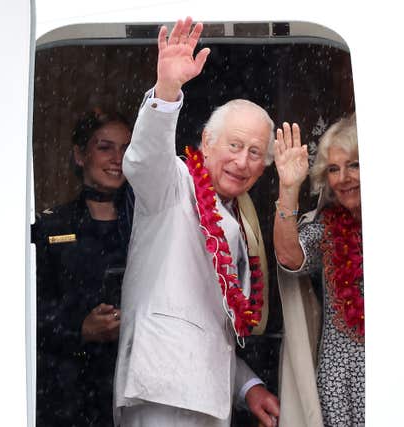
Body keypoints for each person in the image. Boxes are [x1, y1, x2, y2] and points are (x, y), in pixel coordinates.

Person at [113, 17, 280, 427]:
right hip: (162, 389)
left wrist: (247, 386)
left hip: (208, 397)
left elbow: (213, 326)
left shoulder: (242, 220)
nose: (242, 161)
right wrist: (168, 90)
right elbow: (143, 159)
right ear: (206, 142)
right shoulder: (172, 183)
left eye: (256, 153)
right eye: (235, 145)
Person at [33, 111, 134, 427]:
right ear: (80, 154)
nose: (118, 158)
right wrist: (80, 328)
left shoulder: (147, 225)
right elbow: (28, 314)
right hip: (69, 392)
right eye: (105, 147)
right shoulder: (50, 226)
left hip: (134, 386)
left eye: (126, 148)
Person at [273, 116, 364, 427]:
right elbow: (289, 256)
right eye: (334, 169)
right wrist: (289, 188)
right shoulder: (327, 226)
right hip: (339, 380)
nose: (343, 178)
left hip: (400, 371)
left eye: (353, 165)